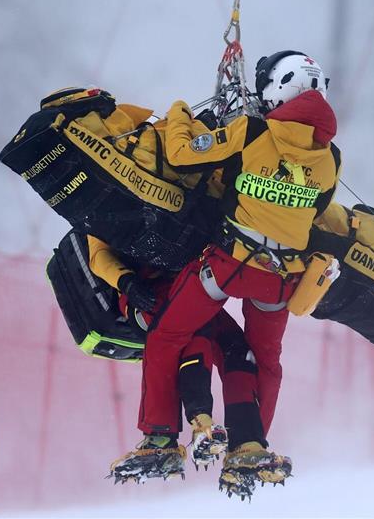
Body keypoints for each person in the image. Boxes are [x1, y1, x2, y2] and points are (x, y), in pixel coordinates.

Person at [110, 51, 342, 489]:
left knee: (166, 335)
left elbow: (180, 153)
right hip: (282, 278)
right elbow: (316, 210)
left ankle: (160, 440)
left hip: (231, 264)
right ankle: (249, 448)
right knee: (262, 359)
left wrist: (180, 110)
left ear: (276, 89)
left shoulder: (252, 130)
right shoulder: (331, 159)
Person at [87, 235, 273, 498]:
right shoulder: (102, 198)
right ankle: (164, 437)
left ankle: (245, 442)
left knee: (237, 350)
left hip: (190, 287)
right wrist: (126, 281)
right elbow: (98, 254)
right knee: (196, 333)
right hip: (147, 295)